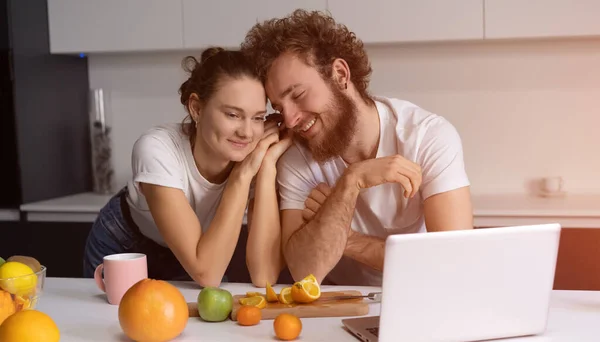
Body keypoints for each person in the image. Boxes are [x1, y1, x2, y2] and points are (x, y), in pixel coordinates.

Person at [240, 10, 474, 286]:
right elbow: (303, 270)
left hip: (421, 291)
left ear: (340, 74)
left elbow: (454, 262)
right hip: (339, 305)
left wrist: (346, 238)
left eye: (299, 95)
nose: (290, 119)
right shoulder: (296, 158)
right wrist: (352, 181)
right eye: (279, 107)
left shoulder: (428, 137)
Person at [83, 47, 292, 288]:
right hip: (126, 245)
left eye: (257, 118)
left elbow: (264, 275)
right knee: (112, 323)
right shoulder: (157, 148)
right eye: (233, 115)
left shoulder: (252, 154)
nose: (246, 132)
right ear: (196, 108)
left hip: (199, 254)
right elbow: (207, 274)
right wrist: (242, 175)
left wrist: (266, 167)